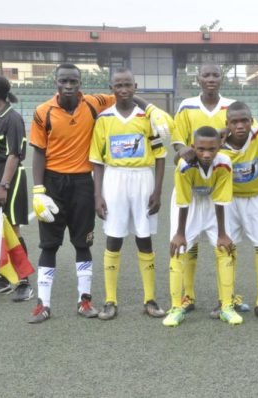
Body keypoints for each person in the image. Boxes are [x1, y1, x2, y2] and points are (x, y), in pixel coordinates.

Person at [28, 63, 172, 323]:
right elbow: (44, 152)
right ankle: (57, 303)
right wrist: (39, 190)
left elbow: (158, 150)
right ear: (56, 83)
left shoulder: (99, 105)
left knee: (120, 241)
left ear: (80, 83)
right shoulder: (52, 112)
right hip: (79, 182)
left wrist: (151, 108)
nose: (69, 85)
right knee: (59, 243)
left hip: (115, 181)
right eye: (64, 81)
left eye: (74, 81)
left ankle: (133, 299)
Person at [171, 64, 248, 317]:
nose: (211, 79)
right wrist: (184, 151)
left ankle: (226, 300)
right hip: (191, 184)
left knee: (226, 243)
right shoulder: (186, 106)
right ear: (198, 79)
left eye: (216, 75)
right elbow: (179, 141)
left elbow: (245, 131)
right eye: (206, 75)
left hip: (221, 179)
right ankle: (187, 297)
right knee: (186, 244)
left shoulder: (232, 106)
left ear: (222, 79)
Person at [89, 68, 166, 320]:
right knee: (114, 238)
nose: (123, 89)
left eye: (127, 85)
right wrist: (98, 195)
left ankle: (150, 299)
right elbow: (97, 161)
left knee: (144, 238)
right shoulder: (103, 119)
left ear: (135, 86)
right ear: (112, 88)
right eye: (118, 85)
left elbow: (160, 155)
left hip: (143, 178)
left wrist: (157, 190)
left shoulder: (147, 117)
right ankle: (110, 300)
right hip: (114, 178)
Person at [166, 126, 240, 326]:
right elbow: (183, 199)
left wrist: (222, 233)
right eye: (201, 150)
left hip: (212, 204)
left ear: (219, 147)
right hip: (187, 205)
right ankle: (176, 308)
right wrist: (179, 233)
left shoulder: (224, 163)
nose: (206, 154)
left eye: (212, 149)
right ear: (192, 147)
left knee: (225, 248)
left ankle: (226, 307)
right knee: (178, 249)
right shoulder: (184, 165)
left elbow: (222, 199)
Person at [219, 101, 258, 320]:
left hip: (257, 199)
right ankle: (226, 298)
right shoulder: (218, 142)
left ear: (252, 121)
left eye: (245, 120)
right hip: (229, 200)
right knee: (226, 248)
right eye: (235, 122)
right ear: (227, 124)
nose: (240, 125)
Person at [0, 75, 33, 301]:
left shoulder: (12, 118)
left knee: (11, 230)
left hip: (8, 179)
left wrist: (3, 186)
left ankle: (24, 281)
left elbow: (14, 154)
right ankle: (5, 277)